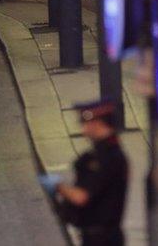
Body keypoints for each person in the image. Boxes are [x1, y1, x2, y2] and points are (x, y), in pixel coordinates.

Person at [43, 100, 128, 246]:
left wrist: (57, 185)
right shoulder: (100, 154)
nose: (83, 130)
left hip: (102, 238)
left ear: (97, 123)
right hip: (95, 236)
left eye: (85, 123)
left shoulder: (108, 158)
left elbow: (81, 197)